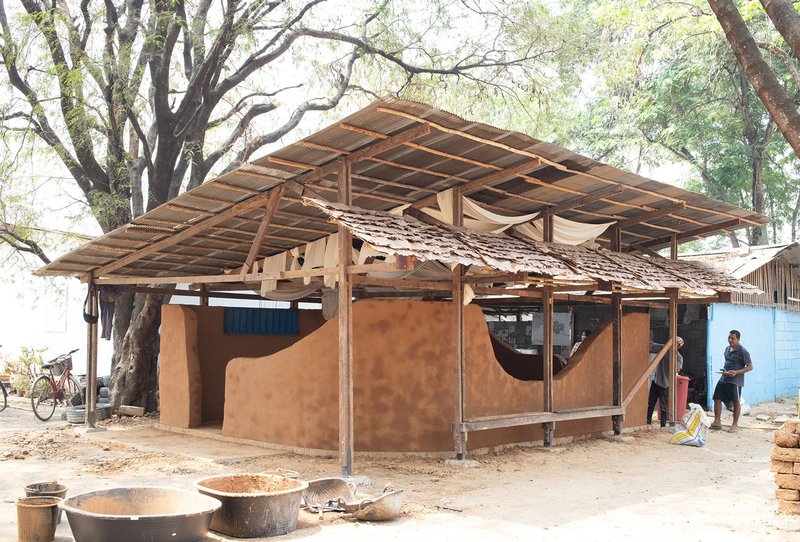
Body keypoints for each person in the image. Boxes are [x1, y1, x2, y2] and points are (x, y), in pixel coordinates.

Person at [711, 330, 753, 433]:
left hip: (735, 381)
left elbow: (750, 367)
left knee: (735, 402)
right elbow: (728, 362)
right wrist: (725, 371)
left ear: (738, 339)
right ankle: (717, 422)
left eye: (733, 338)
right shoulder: (727, 349)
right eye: (729, 338)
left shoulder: (743, 351)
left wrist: (736, 372)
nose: (730, 340)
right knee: (716, 398)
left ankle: (735, 424)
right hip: (724, 378)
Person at [647, 336, 684, 428]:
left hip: (666, 383)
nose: (675, 345)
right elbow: (650, 346)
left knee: (663, 407)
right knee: (651, 403)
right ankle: (648, 422)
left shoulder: (679, 357)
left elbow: (677, 370)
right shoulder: (663, 348)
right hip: (656, 381)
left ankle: (663, 426)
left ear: (679, 346)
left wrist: (674, 356)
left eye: (677, 345)